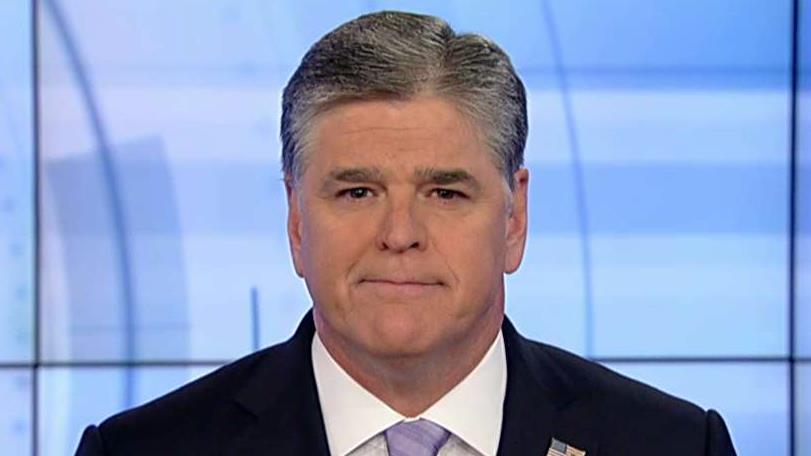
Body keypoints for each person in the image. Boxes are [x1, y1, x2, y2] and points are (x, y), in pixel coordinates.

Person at [75, 11, 737, 456]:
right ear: (296, 219)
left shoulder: (673, 445)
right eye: (357, 192)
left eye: (445, 193)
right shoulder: (141, 449)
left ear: (513, 219)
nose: (399, 234)